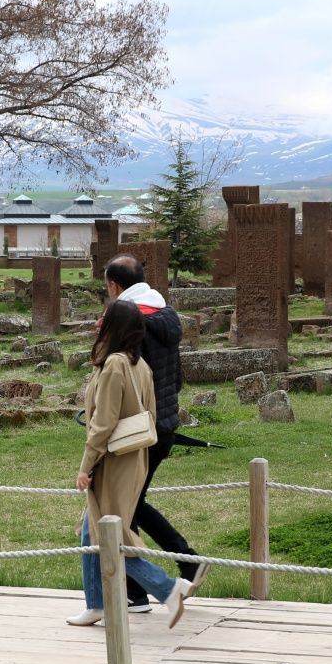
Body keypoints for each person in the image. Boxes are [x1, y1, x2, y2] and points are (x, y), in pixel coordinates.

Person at [68, 300, 192, 629]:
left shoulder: (114, 365)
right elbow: (150, 414)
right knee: (92, 531)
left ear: (116, 326)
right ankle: (96, 604)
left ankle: (167, 589)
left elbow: (103, 424)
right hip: (133, 456)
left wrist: (86, 465)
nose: (97, 323)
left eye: (103, 318)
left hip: (114, 461)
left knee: (109, 536)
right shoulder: (140, 365)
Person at [103, 254, 208, 612]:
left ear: (115, 286)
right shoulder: (166, 314)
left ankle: (178, 567)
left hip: (136, 430)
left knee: (122, 508)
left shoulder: (130, 321)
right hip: (164, 424)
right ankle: (144, 587)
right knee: (131, 505)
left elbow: (124, 379)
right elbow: (174, 377)